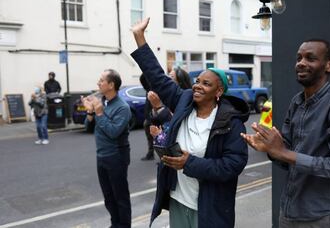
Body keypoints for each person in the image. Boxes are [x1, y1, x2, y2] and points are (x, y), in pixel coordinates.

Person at [131, 18, 250, 228]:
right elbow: (157, 77)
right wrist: (139, 37)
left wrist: (189, 164)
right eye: (197, 82)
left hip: (209, 208)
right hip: (179, 200)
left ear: (219, 91)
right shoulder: (184, 100)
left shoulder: (231, 122)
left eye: (206, 84)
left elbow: (232, 165)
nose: (198, 86)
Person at [241, 39, 330, 228]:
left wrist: (283, 152)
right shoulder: (297, 101)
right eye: (299, 57)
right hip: (289, 213)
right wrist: (271, 149)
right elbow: (288, 157)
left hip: (323, 218)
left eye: (310, 58)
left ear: (329, 65)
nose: (301, 62)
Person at [82, 69, 132, 228]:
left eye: (102, 80)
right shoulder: (101, 102)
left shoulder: (122, 107)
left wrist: (99, 113)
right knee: (108, 197)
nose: (98, 83)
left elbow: (113, 132)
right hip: (101, 155)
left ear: (111, 85)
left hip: (116, 156)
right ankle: (114, 223)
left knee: (120, 197)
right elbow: (89, 128)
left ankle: (123, 225)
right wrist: (90, 111)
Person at [140, 74, 156, 161]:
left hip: (153, 118)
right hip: (148, 118)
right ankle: (151, 153)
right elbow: (142, 79)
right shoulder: (148, 89)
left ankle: (163, 157)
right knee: (150, 138)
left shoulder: (154, 89)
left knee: (158, 137)